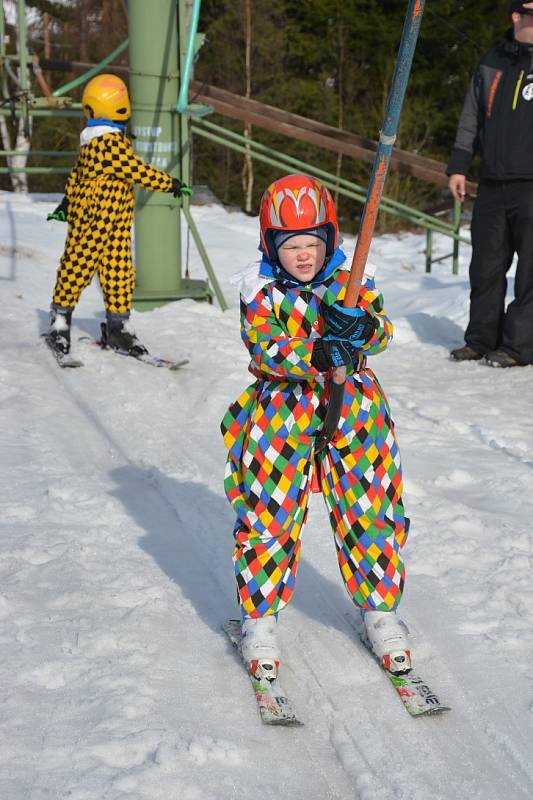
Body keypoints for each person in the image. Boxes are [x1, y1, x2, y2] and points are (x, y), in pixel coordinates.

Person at [220, 174, 411, 683]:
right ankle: (259, 620)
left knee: (369, 508)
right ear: (270, 244)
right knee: (270, 512)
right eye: (291, 245)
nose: (303, 255)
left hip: (354, 408)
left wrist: (364, 329)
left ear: (328, 240)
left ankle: (380, 610)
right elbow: (265, 347)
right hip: (283, 411)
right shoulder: (259, 288)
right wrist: (319, 351)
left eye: (312, 243)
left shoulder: (352, 278)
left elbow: (383, 329)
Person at [46, 73, 191, 358]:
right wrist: (170, 183)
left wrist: (65, 201)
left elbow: (77, 173)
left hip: (115, 226)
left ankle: (117, 326)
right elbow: (136, 170)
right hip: (92, 223)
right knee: (78, 266)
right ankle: (60, 318)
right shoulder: (106, 145)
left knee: (119, 273)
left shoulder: (100, 141)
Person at [448, 1, 533, 368]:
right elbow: (470, 117)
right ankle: (481, 339)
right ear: (517, 16)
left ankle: (518, 346)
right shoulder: (491, 61)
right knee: (485, 268)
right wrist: (458, 166)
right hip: (493, 184)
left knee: (530, 273)